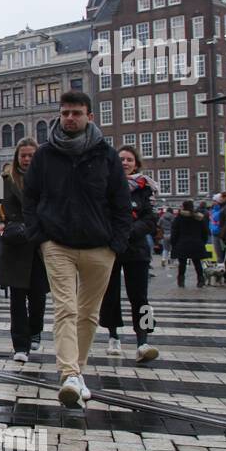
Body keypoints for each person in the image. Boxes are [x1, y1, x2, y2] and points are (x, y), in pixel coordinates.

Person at [23, 90, 131, 408]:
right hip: (57, 243)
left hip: (100, 246)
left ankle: (77, 374)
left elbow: (121, 203)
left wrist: (116, 244)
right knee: (65, 309)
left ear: (89, 116)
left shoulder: (106, 155)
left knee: (89, 314)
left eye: (76, 113)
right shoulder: (44, 156)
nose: (70, 118)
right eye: (65, 112)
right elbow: (31, 198)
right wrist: (39, 236)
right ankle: (69, 373)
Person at [98, 145, 160, 363]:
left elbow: (151, 219)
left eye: (129, 160)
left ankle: (143, 340)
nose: (125, 163)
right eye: (121, 159)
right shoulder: (106, 186)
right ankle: (113, 336)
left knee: (140, 296)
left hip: (136, 248)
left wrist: (129, 232)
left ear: (136, 164)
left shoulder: (146, 188)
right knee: (110, 294)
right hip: (111, 247)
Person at [0, 138, 47, 363]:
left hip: (39, 243)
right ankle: (20, 345)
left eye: (31, 155)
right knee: (17, 298)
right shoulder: (4, 180)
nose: (27, 159)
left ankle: (35, 330)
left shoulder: (45, 179)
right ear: (17, 157)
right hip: (14, 242)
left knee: (38, 296)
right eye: (23, 155)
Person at [171, 200, 208, 287]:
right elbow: (205, 232)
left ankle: (181, 280)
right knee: (197, 262)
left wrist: (174, 243)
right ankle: (200, 279)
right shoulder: (199, 218)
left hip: (182, 243)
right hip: (196, 243)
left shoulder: (179, 218)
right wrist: (202, 242)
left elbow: (175, 231)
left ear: (183, 207)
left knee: (182, 263)